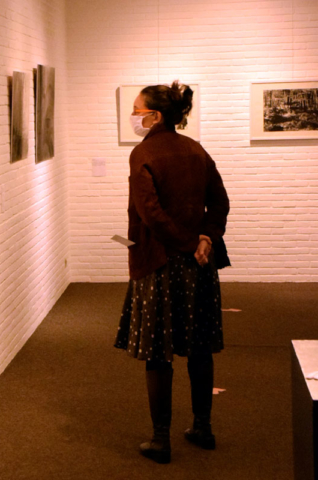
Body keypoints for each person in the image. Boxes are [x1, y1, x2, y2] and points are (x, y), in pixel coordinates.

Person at [114, 81, 230, 464]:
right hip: (199, 264)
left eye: (137, 109)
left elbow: (150, 213)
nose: (133, 116)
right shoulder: (196, 150)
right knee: (199, 348)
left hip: (160, 263)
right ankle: (203, 427)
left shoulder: (144, 152)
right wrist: (205, 240)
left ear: (155, 115)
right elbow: (220, 201)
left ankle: (160, 439)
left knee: (158, 352)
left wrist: (185, 242)